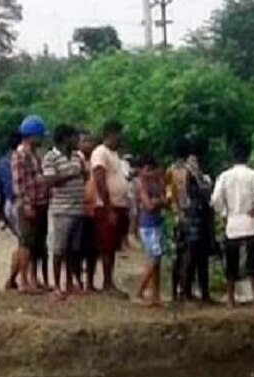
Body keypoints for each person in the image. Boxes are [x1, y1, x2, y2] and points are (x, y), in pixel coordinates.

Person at [211, 140, 254, 308]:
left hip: (232, 222)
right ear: (248, 156)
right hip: (250, 221)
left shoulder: (224, 176)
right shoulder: (253, 174)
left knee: (231, 262)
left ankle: (231, 300)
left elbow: (215, 199)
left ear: (233, 157)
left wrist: (224, 213)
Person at [41, 124, 87, 295]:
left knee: (73, 249)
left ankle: (69, 283)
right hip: (61, 209)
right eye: (75, 137)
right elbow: (50, 181)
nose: (78, 141)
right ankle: (57, 285)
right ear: (66, 139)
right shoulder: (51, 157)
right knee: (59, 249)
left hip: (77, 208)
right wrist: (72, 175)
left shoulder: (77, 156)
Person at [170, 137, 215, 304]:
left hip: (179, 216)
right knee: (196, 255)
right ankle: (193, 293)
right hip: (195, 216)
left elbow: (171, 195)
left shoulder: (172, 169)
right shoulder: (191, 167)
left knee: (181, 255)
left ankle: (178, 292)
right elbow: (204, 190)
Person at [12, 115, 52, 294]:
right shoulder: (20, 155)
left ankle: (35, 280)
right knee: (26, 243)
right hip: (29, 204)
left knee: (37, 244)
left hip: (40, 203)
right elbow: (20, 184)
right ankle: (24, 281)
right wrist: (27, 203)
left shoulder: (35, 155)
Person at [91, 120, 131, 295]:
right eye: (119, 134)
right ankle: (107, 283)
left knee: (113, 245)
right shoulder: (100, 152)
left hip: (119, 205)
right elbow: (100, 180)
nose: (121, 138)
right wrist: (108, 208)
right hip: (107, 206)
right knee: (107, 245)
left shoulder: (115, 155)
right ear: (110, 134)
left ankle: (110, 281)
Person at [134, 155, 166, 307]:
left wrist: (159, 200)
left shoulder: (155, 183)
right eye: (148, 170)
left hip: (157, 223)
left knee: (157, 261)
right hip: (148, 225)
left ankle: (156, 295)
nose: (151, 173)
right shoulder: (141, 185)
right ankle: (139, 291)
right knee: (154, 260)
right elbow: (149, 206)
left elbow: (163, 199)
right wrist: (160, 201)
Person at [78, 131, 98, 292]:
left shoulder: (95, 160)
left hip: (94, 209)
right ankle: (77, 281)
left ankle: (90, 282)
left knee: (92, 248)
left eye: (90, 140)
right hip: (78, 209)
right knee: (76, 248)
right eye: (84, 140)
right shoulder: (75, 160)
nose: (87, 144)